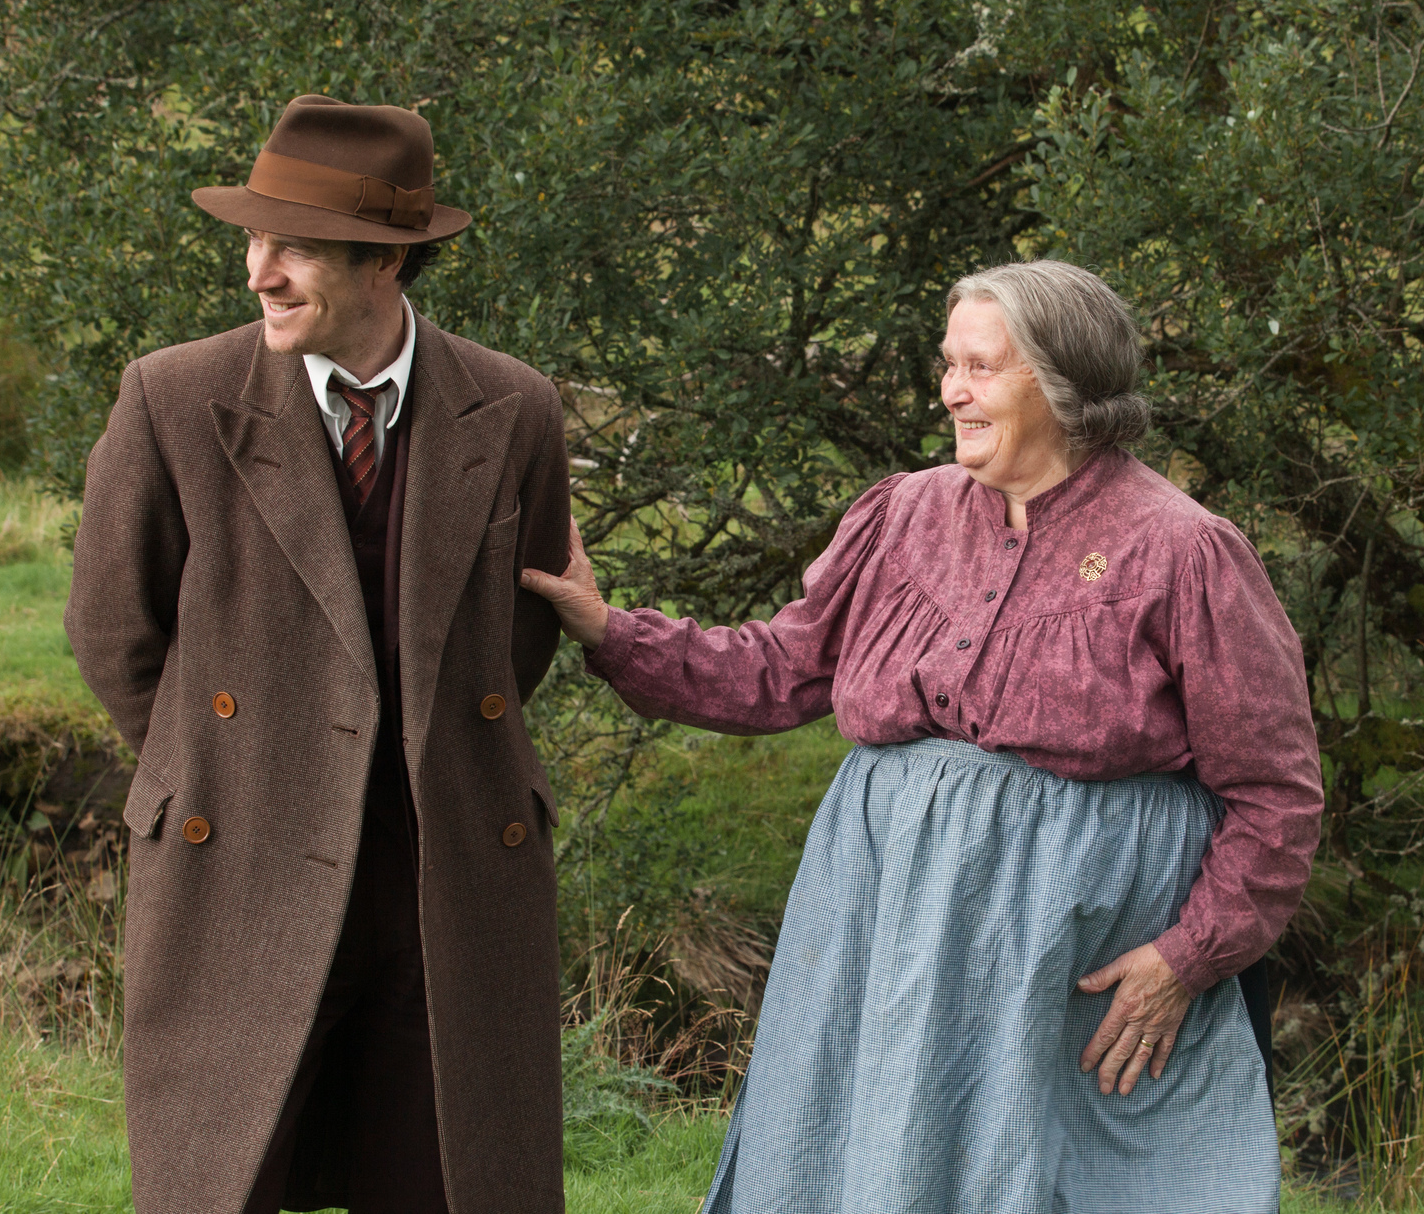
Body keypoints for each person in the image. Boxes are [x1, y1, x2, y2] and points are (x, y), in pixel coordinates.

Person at [523, 260, 1322, 1213]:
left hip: (1070, 961)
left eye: (980, 367)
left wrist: (1187, 955)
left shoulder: (1184, 551)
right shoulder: (903, 513)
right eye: (949, 364)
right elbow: (780, 669)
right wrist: (611, 630)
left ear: (1061, 383)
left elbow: (1276, 795)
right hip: (886, 918)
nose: (951, 389)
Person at [67, 95, 573, 1213]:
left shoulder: (516, 407)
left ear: (386, 259)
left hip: (442, 866)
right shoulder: (174, 399)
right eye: (252, 240)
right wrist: (215, 765)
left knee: (446, 1182)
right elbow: (113, 627)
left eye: (291, 246)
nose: (258, 272)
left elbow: (517, 634)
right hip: (235, 850)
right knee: (223, 1183)